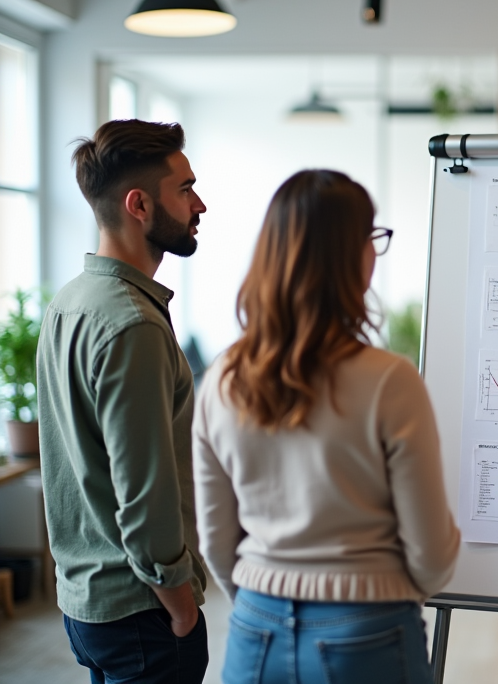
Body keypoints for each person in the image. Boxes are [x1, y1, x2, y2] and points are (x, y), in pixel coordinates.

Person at [193, 169, 460, 684]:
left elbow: (216, 542)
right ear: (349, 256)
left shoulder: (221, 380)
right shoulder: (390, 380)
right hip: (369, 631)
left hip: (255, 631)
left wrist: (266, 590)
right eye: (372, 238)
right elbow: (429, 554)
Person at [37, 120, 210, 683]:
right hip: (144, 611)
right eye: (184, 189)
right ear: (139, 204)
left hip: (89, 602)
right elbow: (145, 492)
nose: (200, 203)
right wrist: (181, 608)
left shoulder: (71, 301)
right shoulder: (131, 324)